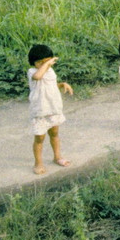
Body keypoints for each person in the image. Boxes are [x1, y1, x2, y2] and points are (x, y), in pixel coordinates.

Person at [28, 44, 73, 175]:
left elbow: (51, 85)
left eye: (46, 61)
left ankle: (57, 156)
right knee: (39, 139)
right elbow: (38, 77)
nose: (43, 65)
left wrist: (62, 84)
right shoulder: (32, 72)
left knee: (54, 134)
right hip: (40, 112)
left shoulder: (50, 71)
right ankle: (38, 163)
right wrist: (46, 64)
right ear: (33, 62)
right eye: (39, 62)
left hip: (53, 109)